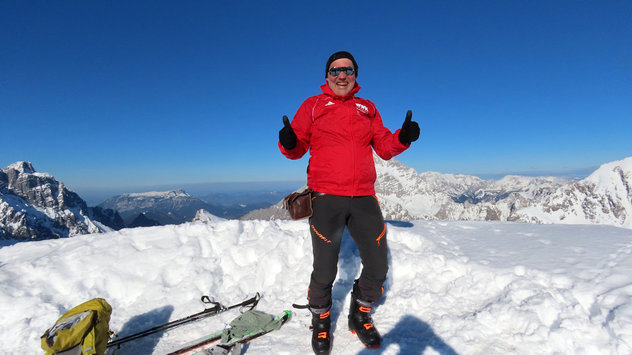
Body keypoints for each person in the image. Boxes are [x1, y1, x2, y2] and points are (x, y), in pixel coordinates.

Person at [278, 51, 420, 354]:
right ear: (326, 76)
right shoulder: (313, 105)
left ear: (355, 74)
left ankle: (360, 314)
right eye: (335, 71)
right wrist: (288, 142)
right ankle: (321, 321)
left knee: (378, 264)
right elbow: (297, 147)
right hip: (326, 197)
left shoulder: (367, 108)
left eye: (348, 70)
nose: (342, 76)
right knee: (325, 268)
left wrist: (402, 138)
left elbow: (383, 145)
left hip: (364, 197)